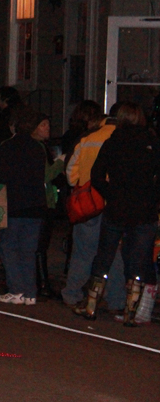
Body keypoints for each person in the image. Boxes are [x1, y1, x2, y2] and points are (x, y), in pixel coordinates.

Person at [74, 102, 160, 325]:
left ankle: (91, 305)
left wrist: (112, 193)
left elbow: (97, 175)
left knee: (104, 256)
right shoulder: (151, 141)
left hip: (117, 208)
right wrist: (152, 195)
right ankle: (131, 312)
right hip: (145, 209)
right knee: (138, 260)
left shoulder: (113, 141)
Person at [62, 102, 126, 311]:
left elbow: (71, 176)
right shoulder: (124, 137)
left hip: (89, 203)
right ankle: (116, 300)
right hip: (114, 203)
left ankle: (72, 294)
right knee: (113, 255)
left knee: (83, 253)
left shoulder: (88, 138)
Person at [0, 107, 49, 306]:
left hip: (15, 203)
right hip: (36, 204)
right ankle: (30, 292)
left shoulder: (7, 147)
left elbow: (0, 177)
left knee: (9, 247)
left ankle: (16, 289)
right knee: (28, 249)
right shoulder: (37, 148)